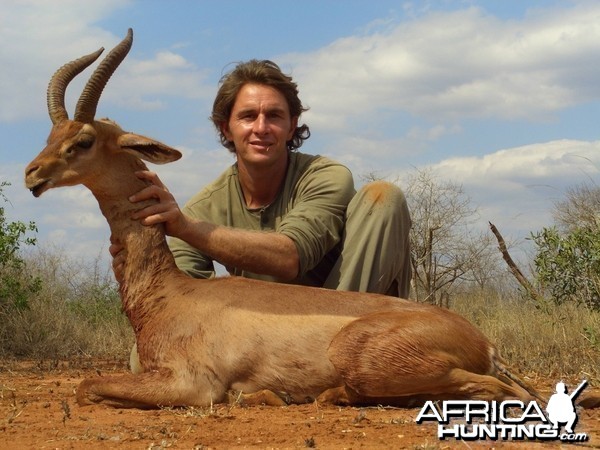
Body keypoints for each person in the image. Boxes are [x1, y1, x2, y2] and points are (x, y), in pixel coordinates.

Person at [111, 59, 411, 297]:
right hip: (269, 340)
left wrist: (186, 228)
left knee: (383, 198)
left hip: (343, 327)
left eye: (275, 116)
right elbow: (182, 294)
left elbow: (290, 257)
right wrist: (138, 268)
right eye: (248, 116)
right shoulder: (203, 209)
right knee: (144, 357)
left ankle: (340, 356)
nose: (261, 127)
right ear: (225, 128)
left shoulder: (326, 176)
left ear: (292, 127)